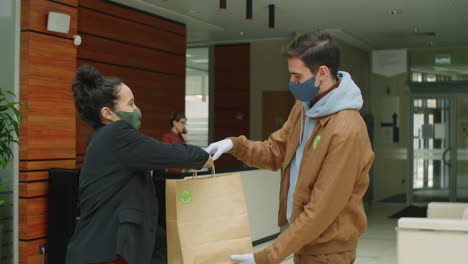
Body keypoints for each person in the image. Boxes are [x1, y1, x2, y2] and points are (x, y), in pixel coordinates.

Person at [205, 30, 374, 264]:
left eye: (297, 76)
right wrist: (234, 145)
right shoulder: (304, 108)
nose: (292, 83)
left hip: (328, 252)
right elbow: (275, 152)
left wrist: (267, 256)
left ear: (322, 73)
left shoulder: (346, 129)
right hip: (305, 241)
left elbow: (321, 209)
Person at [66, 65, 212, 264]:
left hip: (98, 249)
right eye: (131, 104)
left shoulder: (101, 137)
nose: (136, 110)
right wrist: (203, 155)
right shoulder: (118, 135)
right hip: (107, 251)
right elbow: (167, 153)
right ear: (108, 113)